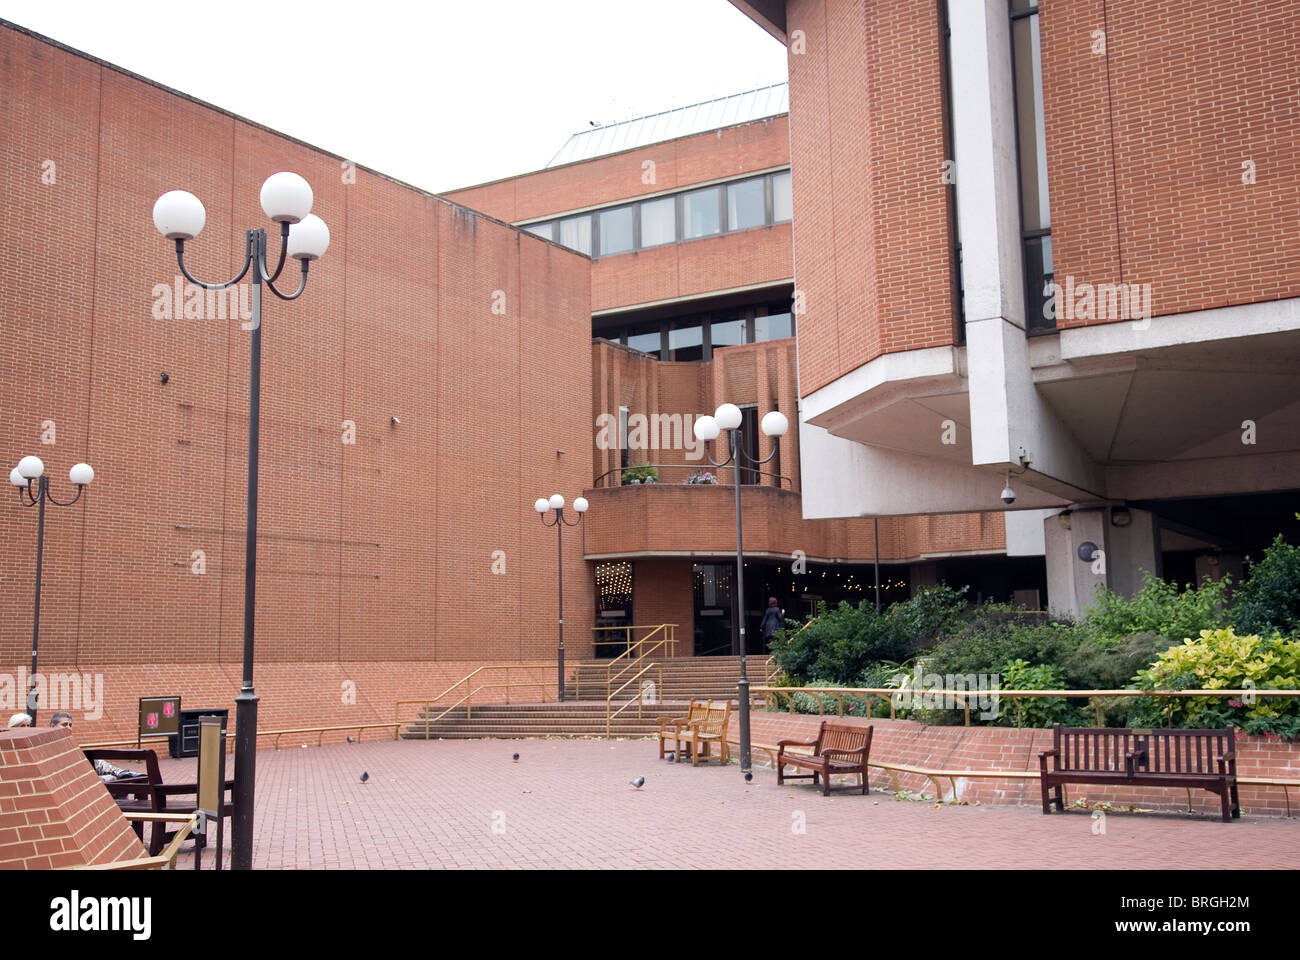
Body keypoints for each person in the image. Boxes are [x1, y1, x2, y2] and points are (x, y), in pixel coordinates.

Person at [49, 713, 135, 782]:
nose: (68, 728)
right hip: (75, 782)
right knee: (114, 779)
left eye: (70, 725)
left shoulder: (68, 744)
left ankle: (122, 773)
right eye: (64, 725)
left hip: (82, 777)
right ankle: (122, 774)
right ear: (53, 726)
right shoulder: (48, 745)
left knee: (102, 766)